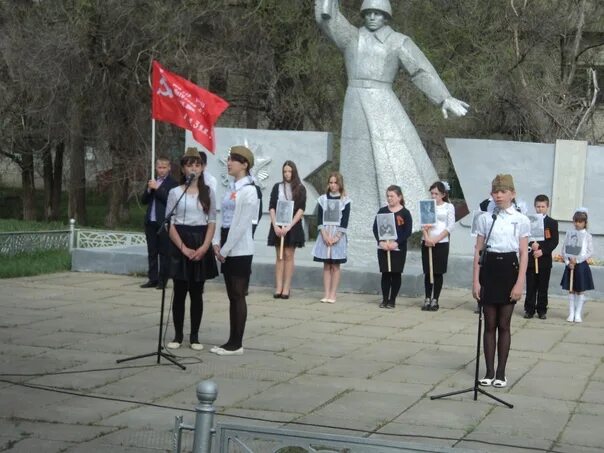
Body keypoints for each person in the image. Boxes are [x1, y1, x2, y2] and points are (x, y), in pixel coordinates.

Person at [315, 0, 468, 249]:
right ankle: (356, 228)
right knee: (356, 166)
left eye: (378, 13)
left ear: (386, 16)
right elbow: (327, 18)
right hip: (354, 103)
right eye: (368, 13)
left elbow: (420, 70)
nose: (373, 17)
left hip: (384, 103)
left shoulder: (398, 41)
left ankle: (401, 225)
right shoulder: (352, 38)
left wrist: (444, 97)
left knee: (399, 160)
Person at [472, 174, 529, 389]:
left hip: (509, 269)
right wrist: (476, 281)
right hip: (490, 268)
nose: (498, 195)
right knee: (489, 323)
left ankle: (501, 372)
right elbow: (478, 251)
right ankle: (488, 371)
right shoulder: (486, 218)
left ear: (512, 194)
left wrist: (519, 283)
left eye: (503, 191)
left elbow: (523, 253)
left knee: (504, 324)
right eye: (495, 192)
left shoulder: (520, 219)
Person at [165, 148, 218, 350]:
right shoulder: (175, 192)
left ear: (203, 167)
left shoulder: (208, 192)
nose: (193, 168)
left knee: (197, 292)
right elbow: (170, 223)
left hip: (200, 238)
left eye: (197, 164)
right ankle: (177, 335)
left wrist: (205, 246)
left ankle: (194, 336)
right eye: (189, 164)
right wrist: (183, 247)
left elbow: (212, 221)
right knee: (179, 291)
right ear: (183, 168)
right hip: (181, 240)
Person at [211, 146, 257, 356]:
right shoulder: (231, 188)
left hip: (240, 249)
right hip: (227, 247)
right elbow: (222, 217)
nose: (229, 163)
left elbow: (241, 225)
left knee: (238, 294)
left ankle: (237, 343)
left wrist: (226, 249)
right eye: (228, 159)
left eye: (233, 160)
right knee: (231, 295)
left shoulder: (249, 190)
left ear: (244, 164)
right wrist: (216, 242)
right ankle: (231, 340)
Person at [267, 160, 307, 299]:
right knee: (279, 256)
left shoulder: (300, 188)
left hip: (293, 227)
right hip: (278, 225)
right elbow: (271, 206)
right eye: (285, 171)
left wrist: (290, 225)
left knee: (289, 255)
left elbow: (301, 209)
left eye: (289, 171)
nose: (287, 174)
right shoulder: (277, 187)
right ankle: (278, 287)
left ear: (294, 172)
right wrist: (275, 225)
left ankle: (286, 288)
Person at [311, 172, 351, 304]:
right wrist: (324, 235)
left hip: (337, 235)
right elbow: (319, 219)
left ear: (340, 184)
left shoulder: (345, 200)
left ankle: (333, 293)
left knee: (335, 265)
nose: (333, 185)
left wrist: (336, 237)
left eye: (335, 183)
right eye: (331, 182)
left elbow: (345, 220)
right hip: (325, 234)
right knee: (326, 265)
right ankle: (326, 293)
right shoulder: (323, 199)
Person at [372, 185, 412, 309]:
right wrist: (381, 242)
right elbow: (375, 228)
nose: (389, 198)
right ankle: (384, 299)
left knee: (395, 274)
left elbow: (407, 231)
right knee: (385, 273)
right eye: (388, 196)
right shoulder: (382, 211)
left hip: (398, 248)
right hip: (384, 247)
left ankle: (392, 300)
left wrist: (397, 243)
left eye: (392, 196)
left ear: (399, 197)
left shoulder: (405, 213)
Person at [140, 156, 177, 289]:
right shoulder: (152, 181)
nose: (161, 170)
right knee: (152, 251)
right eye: (159, 167)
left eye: (164, 167)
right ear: (156, 168)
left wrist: (157, 189)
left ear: (169, 168)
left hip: (163, 222)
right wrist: (149, 190)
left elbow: (169, 200)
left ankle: (163, 280)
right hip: (151, 221)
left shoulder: (172, 183)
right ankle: (152, 278)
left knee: (164, 253)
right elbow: (144, 200)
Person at [421, 181, 455, 311]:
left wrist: (436, 239)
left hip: (441, 242)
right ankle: (427, 297)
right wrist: (427, 237)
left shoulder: (448, 207)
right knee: (428, 271)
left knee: (437, 271)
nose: (434, 196)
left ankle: (436, 298)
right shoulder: (427, 205)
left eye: (436, 194)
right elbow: (423, 224)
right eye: (432, 193)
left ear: (443, 194)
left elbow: (450, 226)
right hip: (427, 241)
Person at [523, 195, 559, 320]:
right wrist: (531, 244)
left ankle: (542, 310)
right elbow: (524, 237)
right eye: (538, 206)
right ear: (535, 206)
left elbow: (554, 241)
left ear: (547, 207)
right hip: (532, 259)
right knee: (531, 286)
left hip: (544, 260)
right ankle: (529, 309)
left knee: (543, 287)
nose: (540, 209)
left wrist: (542, 251)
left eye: (543, 206)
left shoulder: (552, 223)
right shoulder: (529, 221)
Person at [561, 208, 594, 323]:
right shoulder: (569, 234)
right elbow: (564, 249)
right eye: (576, 221)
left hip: (580, 265)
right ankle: (571, 312)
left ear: (585, 223)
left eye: (580, 221)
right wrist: (567, 261)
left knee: (580, 289)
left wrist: (578, 260)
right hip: (570, 264)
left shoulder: (587, 236)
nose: (578, 224)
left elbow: (589, 251)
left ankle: (578, 313)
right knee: (571, 289)